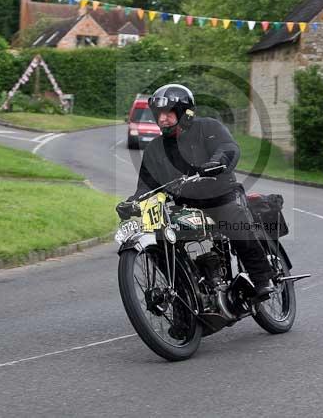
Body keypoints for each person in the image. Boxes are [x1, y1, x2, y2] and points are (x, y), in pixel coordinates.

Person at [116, 84, 274, 297]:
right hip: (185, 206)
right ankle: (185, 300)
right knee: (162, 241)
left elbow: (228, 148)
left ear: (184, 113)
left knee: (234, 223)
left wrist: (216, 163)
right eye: (158, 115)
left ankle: (262, 278)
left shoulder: (208, 128)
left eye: (168, 114)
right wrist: (132, 203)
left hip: (220, 195)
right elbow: (146, 185)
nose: (162, 119)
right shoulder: (155, 149)